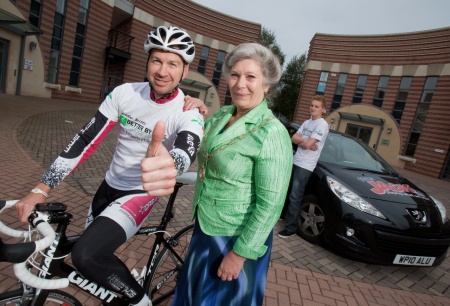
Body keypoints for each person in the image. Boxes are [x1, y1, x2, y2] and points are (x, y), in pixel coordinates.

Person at [16, 25, 206, 306]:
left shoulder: (187, 112)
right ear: (147, 62)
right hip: (107, 187)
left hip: (139, 193)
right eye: (157, 61)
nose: (163, 71)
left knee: (86, 255)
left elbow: (188, 145)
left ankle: (141, 302)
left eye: (172, 64)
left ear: (184, 71)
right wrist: (41, 189)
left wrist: (172, 164)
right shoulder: (125, 93)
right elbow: (85, 140)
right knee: (91, 260)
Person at [144, 42, 293, 306]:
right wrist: (197, 108)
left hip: (236, 238)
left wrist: (239, 255)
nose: (240, 84)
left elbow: (270, 206)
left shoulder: (272, 132)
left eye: (250, 77)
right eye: (235, 75)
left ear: (266, 85)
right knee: (192, 296)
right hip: (206, 227)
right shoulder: (225, 114)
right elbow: (203, 138)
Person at [278, 95, 329, 238]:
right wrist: (306, 142)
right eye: (312, 105)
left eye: (317, 106)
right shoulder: (307, 122)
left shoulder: (322, 125)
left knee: (295, 196)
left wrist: (304, 142)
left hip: (305, 166)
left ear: (323, 110)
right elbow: (293, 138)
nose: (313, 108)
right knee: (286, 192)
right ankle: (282, 215)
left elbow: (305, 144)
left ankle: (291, 228)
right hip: (295, 161)